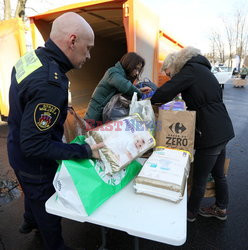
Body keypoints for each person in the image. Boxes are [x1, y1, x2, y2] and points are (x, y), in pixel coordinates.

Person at [7, 12, 103, 250]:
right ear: (72, 41)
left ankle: (29, 221)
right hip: (35, 163)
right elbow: (36, 145)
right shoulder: (51, 83)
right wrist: (84, 150)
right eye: (88, 48)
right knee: (46, 207)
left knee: (30, 194)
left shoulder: (31, 59)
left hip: (15, 147)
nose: (89, 55)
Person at [151, 47, 235, 222]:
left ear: (173, 66)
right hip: (223, 127)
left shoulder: (190, 70)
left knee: (199, 178)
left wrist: (152, 98)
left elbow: (166, 91)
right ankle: (221, 208)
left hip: (210, 133)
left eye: (168, 73)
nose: (169, 77)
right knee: (219, 174)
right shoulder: (201, 69)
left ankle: (190, 214)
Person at [84, 52, 151, 127]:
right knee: (89, 138)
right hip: (94, 116)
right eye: (136, 68)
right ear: (129, 64)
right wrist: (140, 94)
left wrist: (140, 90)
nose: (137, 73)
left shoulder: (121, 75)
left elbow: (124, 90)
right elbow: (126, 87)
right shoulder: (113, 72)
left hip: (102, 116)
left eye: (139, 70)